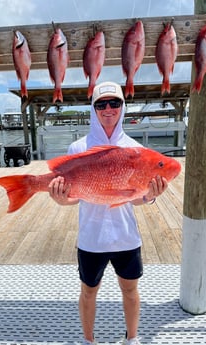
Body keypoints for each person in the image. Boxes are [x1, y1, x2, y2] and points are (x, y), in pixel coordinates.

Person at [48, 81, 168, 345]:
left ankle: (132, 338)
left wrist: (150, 195)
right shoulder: (79, 148)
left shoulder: (136, 149)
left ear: (123, 107)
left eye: (115, 103)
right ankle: (88, 340)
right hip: (91, 239)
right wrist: (60, 199)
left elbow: (135, 199)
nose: (108, 109)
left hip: (126, 237)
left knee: (130, 290)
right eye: (101, 104)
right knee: (88, 291)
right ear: (94, 109)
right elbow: (73, 200)